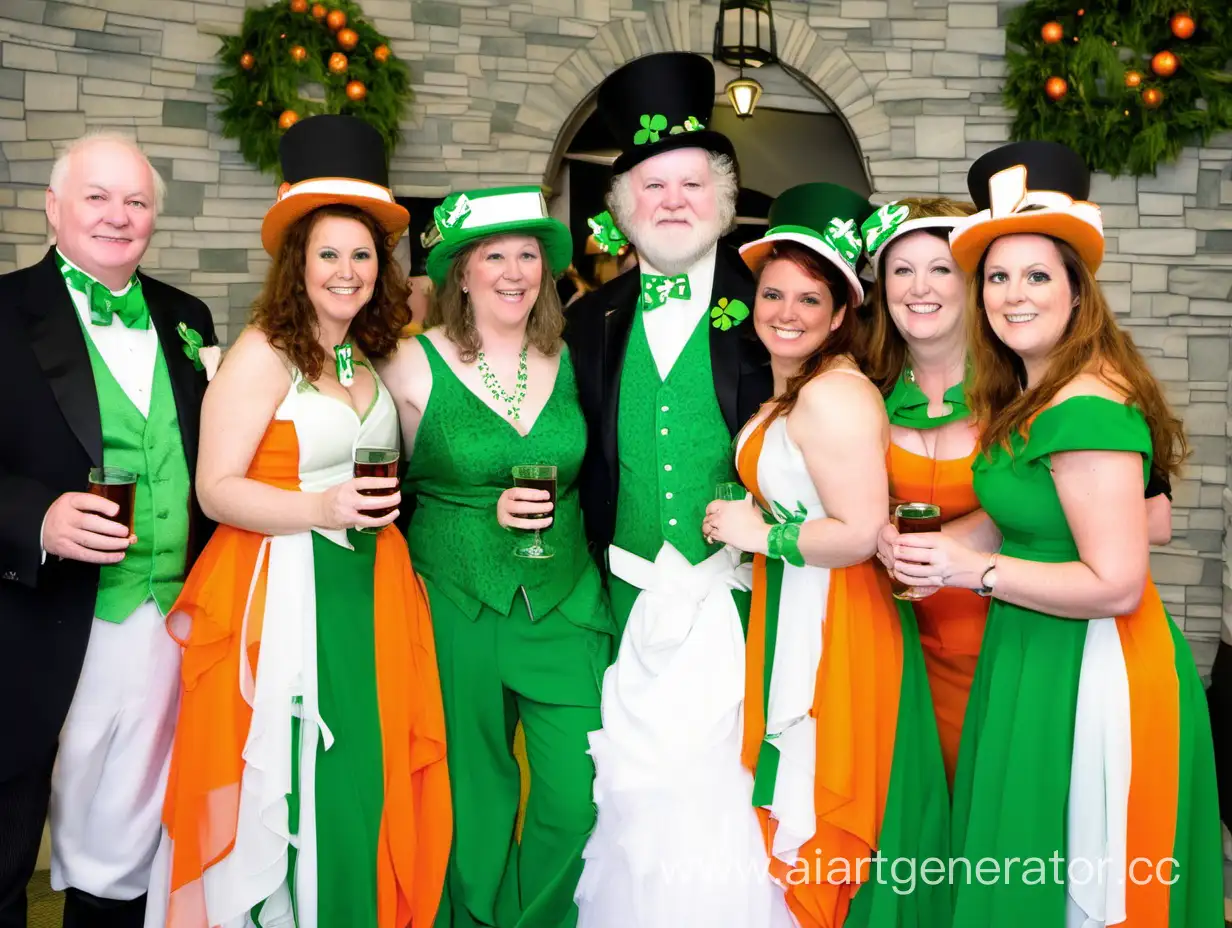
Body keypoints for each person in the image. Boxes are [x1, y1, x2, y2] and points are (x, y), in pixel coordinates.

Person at [889, 140, 1223, 925]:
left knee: (1083, 881)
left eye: (1038, 276)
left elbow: (1116, 582)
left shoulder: (1086, 406)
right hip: (1035, 647)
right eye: (998, 277)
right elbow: (1029, 514)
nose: (1012, 295)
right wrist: (945, 546)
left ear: (1078, 293)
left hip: (1093, 662)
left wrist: (970, 573)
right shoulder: (1034, 388)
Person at [145, 115, 451, 928]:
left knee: (361, 771)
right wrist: (317, 508)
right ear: (297, 264)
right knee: (294, 774)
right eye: (329, 254)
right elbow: (215, 489)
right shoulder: (262, 352)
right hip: (285, 589)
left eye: (362, 254)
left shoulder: (368, 352)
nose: (347, 271)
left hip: (370, 586)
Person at [563, 52, 777, 926]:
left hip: (741, 604)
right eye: (652, 186)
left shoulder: (773, 306)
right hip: (622, 607)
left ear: (723, 199)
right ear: (622, 209)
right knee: (631, 800)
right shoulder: (586, 320)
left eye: (691, 182)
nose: (673, 201)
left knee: (728, 803)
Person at [704, 183, 950, 927]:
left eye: (810, 299)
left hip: (839, 620)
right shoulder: (794, 390)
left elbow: (858, 530)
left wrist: (762, 535)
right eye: (773, 294)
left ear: (842, 313)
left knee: (830, 796)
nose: (786, 312)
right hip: (798, 607)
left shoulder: (833, 396)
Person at [380, 185, 616, 928]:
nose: (514, 271)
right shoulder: (409, 365)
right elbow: (378, 492)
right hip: (455, 604)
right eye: (494, 256)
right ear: (462, 271)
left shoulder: (574, 359)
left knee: (578, 797)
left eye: (529, 256)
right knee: (471, 798)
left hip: (565, 602)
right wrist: (486, 509)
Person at [0, 131, 216, 928]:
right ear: (54, 209)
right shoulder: (2, 311)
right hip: (38, 618)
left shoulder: (187, 317)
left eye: (136, 201)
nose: (118, 216)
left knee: (129, 841)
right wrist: (39, 518)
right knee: (10, 839)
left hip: (165, 622)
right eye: (97, 197)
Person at [859, 196, 983, 786]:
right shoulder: (864, 391)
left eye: (939, 268)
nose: (918, 287)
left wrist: (948, 543)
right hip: (894, 646)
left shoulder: (1021, 390)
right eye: (902, 270)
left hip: (1002, 642)